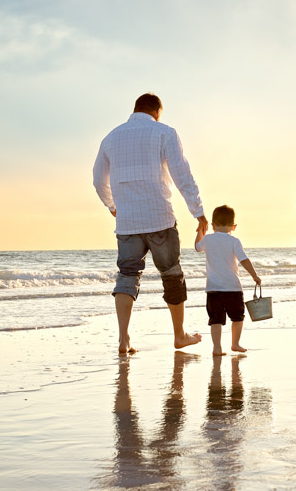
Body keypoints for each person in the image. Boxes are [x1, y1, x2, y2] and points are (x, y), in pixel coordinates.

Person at [93, 93, 207, 354]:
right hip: (159, 219)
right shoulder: (164, 132)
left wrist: (112, 206)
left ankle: (123, 340)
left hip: (127, 223)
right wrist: (198, 211)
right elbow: (182, 174)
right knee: (172, 275)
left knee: (127, 276)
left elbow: (98, 180)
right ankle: (179, 336)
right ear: (157, 111)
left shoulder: (111, 137)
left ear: (135, 109)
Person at [195, 205, 262, 355]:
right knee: (237, 317)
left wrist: (200, 231)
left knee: (215, 319)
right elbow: (244, 260)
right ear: (234, 226)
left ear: (212, 225)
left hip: (213, 288)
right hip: (233, 287)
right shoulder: (234, 241)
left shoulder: (207, 239)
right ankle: (235, 344)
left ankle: (217, 347)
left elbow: (197, 247)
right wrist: (254, 275)